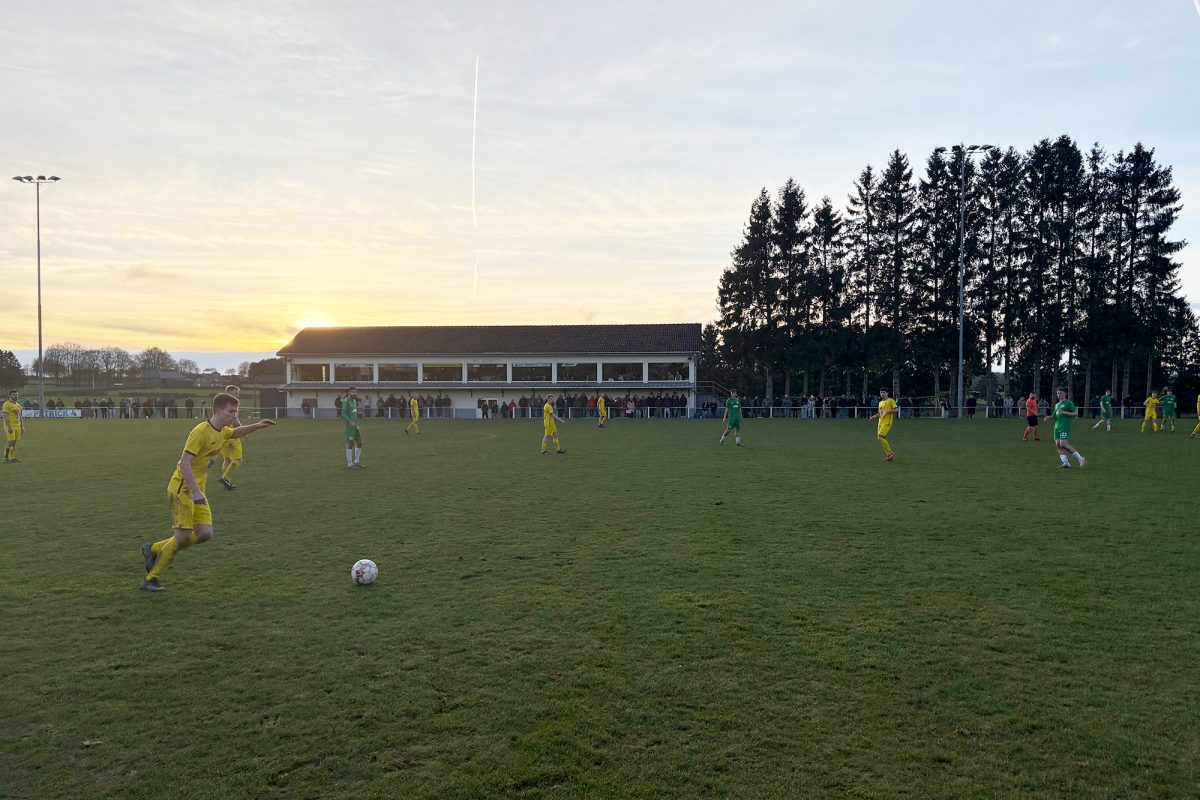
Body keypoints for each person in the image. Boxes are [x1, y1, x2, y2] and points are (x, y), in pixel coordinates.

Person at [139, 392, 276, 591]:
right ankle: (151, 579)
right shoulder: (200, 432)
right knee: (183, 537)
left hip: (198, 490)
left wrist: (257, 425)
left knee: (204, 533)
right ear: (218, 410)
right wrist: (195, 491)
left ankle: (152, 548)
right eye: (231, 411)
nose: (234, 415)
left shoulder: (222, 431)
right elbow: (184, 463)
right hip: (182, 489)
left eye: (236, 411)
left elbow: (235, 433)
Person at [1050, 388, 1086, 469]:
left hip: (1065, 426)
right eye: (1058, 393)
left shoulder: (1068, 403)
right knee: (1058, 445)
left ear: (1065, 393)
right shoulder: (1057, 405)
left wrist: (1064, 412)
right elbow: (1055, 415)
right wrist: (1049, 417)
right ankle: (1066, 463)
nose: (1059, 395)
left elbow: (1076, 413)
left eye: (1060, 393)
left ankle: (1081, 458)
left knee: (1063, 444)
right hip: (1057, 427)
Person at [219, 385, 245, 490]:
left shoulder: (221, 404)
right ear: (229, 394)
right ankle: (225, 478)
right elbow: (235, 420)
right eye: (236, 393)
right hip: (232, 434)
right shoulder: (233, 405)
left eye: (238, 394)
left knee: (227, 459)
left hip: (222, 434)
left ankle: (227, 482)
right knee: (238, 460)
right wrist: (244, 432)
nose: (238, 396)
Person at [870, 387, 899, 461]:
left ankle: (890, 453)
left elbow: (896, 409)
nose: (882, 394)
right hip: (880, 423)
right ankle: (889, 455)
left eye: (883, 392)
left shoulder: (890, 400)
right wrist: (874, 416)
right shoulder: (880, 403)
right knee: (882, 439)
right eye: (881, 392)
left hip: (887, 423)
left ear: (887, 393)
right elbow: (880, 413)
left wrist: (888, 412)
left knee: (880, 436)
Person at [342, 386, 365, 468]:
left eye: (355, 392)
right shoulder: (346, 401)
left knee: (359, 443)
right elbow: (343, 413)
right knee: (350, 443)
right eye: (353, 392)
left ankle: (357, 461)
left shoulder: (354, 401)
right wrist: (350, 421)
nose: (354, 393)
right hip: (349, 426)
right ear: (349, 392)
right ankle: (349, 463)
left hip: (355, 426)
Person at [3, 389, 23, 463]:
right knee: (11, 441)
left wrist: (22, 426)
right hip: (10, 425)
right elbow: (5, 415)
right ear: (10, 395)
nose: (16, 396)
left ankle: (12, 457)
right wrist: (9, 426)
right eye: (14, 395)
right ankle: (5, 457)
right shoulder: (6, 404)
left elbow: (20, 416)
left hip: (17, 425)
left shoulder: (18, 405)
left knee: (14, 442)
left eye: (17, 395)